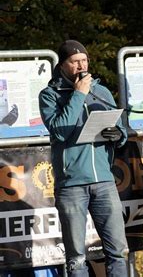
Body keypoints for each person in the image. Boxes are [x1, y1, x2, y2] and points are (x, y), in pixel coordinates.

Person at [39, 40, 128, 277]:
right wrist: (79, 94)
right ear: (63, 65)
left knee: (118, 251)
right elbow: (60, 130)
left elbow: (121, 131)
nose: (81, 65)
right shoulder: (49, 95)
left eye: (84, 60)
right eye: (75, 61)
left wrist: (118, 135)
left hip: (104, 181)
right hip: (71, 185)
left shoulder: (102, 91)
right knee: (77, 257)